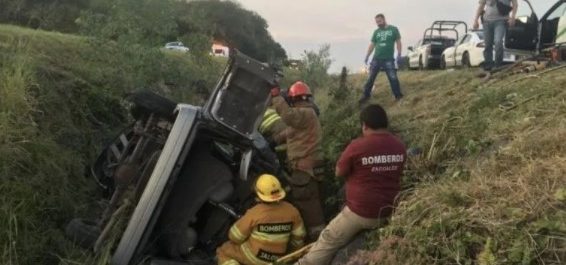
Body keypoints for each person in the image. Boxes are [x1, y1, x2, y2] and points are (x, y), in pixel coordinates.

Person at [295, 104, 407, 265]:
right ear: (385, 124)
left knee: (329, 238)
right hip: (390, 209)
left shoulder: (358, 145)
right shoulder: (399, 146)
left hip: (361, 212)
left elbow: (338, 172)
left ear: (364, 125)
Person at [271, 81, 325, 241]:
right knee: (314, 204)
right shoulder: (306, 116)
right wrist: (274, 140)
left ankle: (317, 242)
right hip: (310, 169)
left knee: (309, 207)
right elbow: (290, 132)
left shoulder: (304, 113)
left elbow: (288, 117)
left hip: (304, 172)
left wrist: (276, 96)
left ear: (293, 99)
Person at [216, 174, 306, 265]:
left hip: (254, 257)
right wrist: (292, 253)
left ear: (258, 195)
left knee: (224, 251)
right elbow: (299, 236)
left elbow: (235, 237)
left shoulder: (255, 212)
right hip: (278, 259)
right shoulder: (291, 210)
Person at [360, 14, 404, 104]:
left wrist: (399, 54)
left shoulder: (393, 29)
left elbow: (398, 42)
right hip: (376, 59)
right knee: (370, 78)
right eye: (377, 22)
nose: (378, 23)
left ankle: (398, 96)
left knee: (393, 78)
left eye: (379, 21)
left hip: (388, 59)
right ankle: (366, 96)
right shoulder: (376, 32)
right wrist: (367, 55)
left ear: (384, 19)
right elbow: (372, 45)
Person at [473, 0, 518, 71]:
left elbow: (515, 4)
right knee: (487, 44)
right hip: (487, 21)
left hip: (501, 21)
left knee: (498, 41)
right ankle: (488, 65)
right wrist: (476, 20)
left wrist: (513, 17)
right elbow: (481, 6)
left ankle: (498, 65)